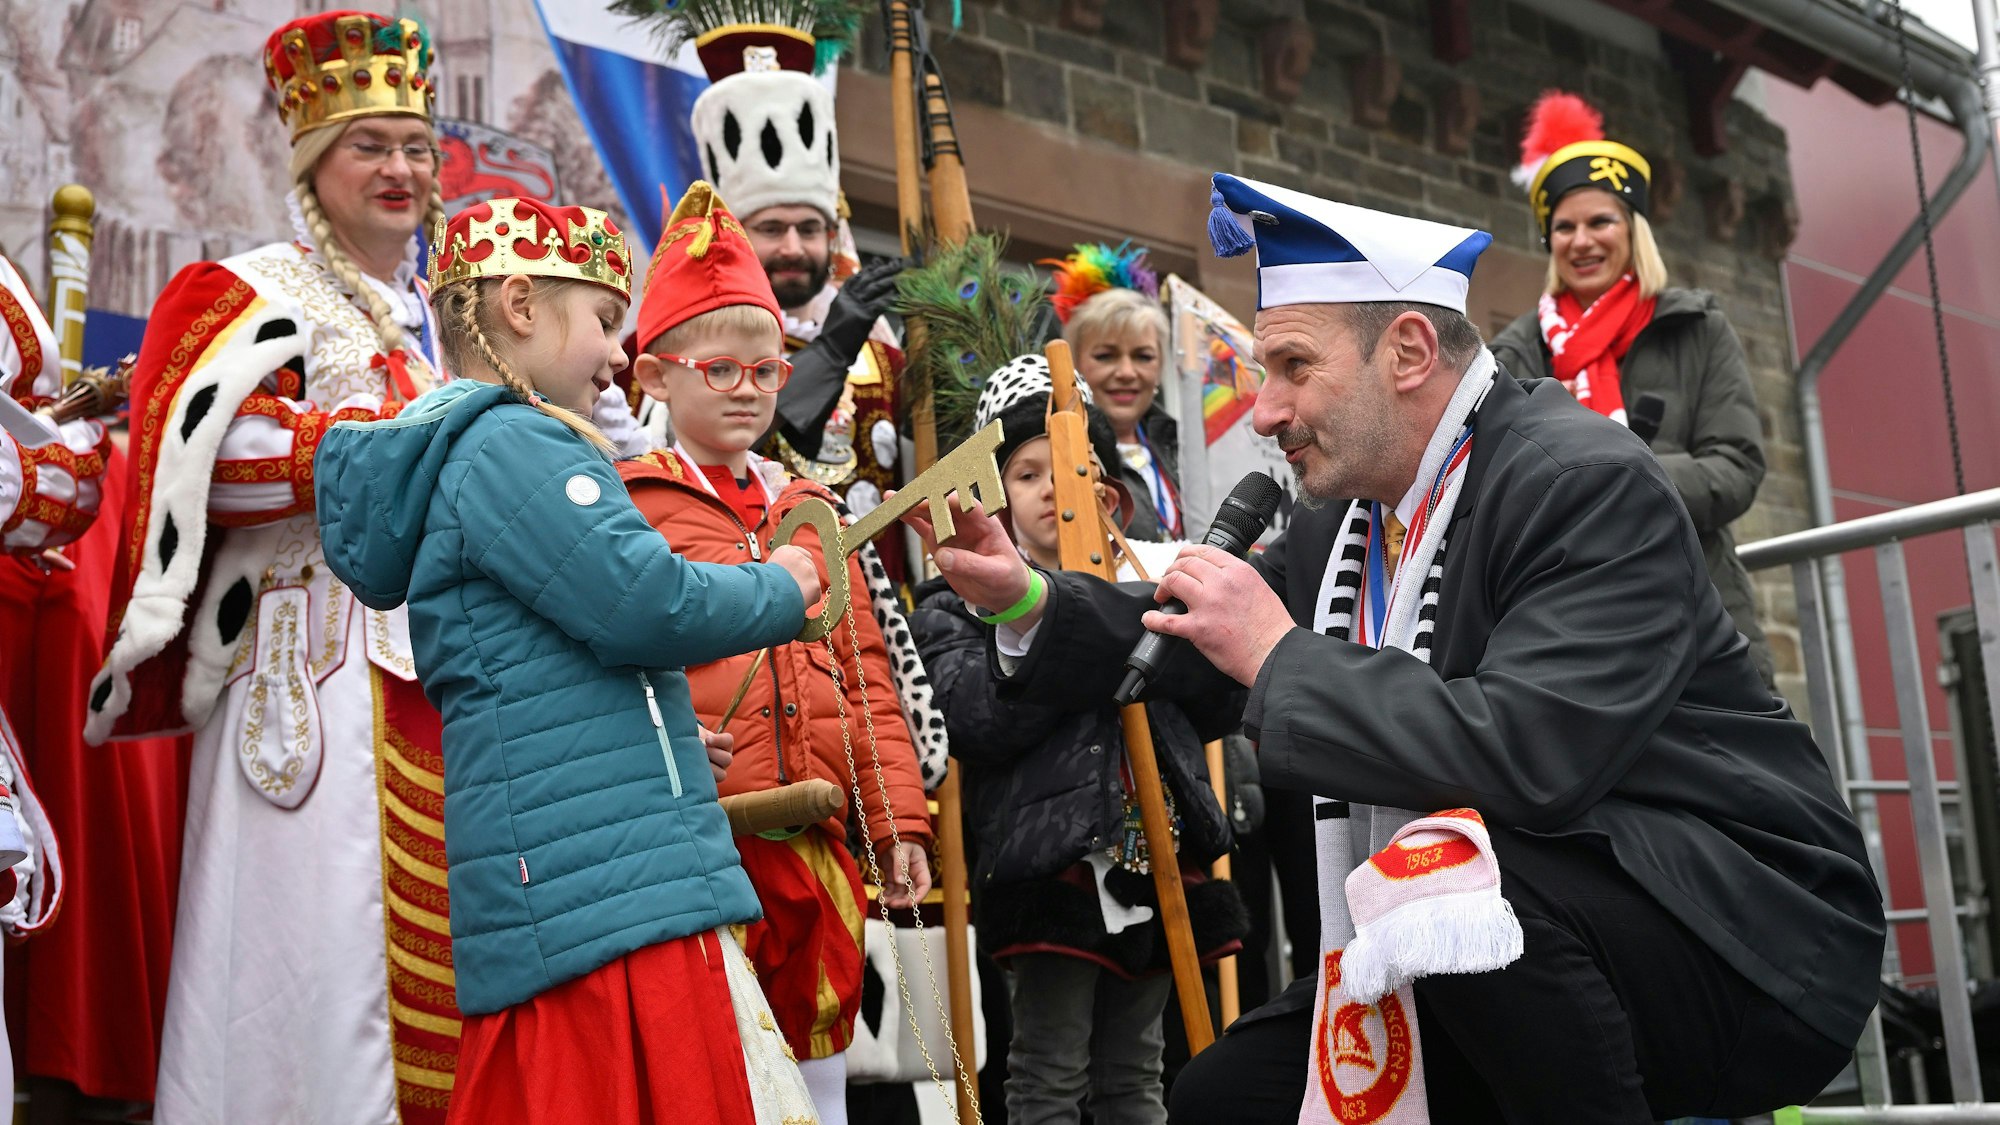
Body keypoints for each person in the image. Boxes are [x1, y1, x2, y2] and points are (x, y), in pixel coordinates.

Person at [905, 174, 1884, 1122]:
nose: (1264, 411)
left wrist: (1280, 653)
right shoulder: (1350, 523)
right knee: (1223, 1098)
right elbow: (1208, 630)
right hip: (1504, 929)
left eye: (1293, 368)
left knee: (1438, 887)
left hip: (1741, 934)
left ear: (1409, 351)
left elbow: (1529, 751)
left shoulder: (1581, 481)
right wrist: (1027, 596)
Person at [315, 195, 822, 1124]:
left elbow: (562, 666)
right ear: (520, 306)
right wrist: (782, 586)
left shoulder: (494, 448)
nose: (618, 355)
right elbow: (643, 603)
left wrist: (667, 738)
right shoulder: (514, 441)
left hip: (588, 877)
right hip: (602, 896)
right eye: (602, 320)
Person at [85, 14, 464, 1121]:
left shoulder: (453, 321)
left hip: (448, 671)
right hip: (312, 673)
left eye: (416, 147)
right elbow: (203, 459)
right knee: (311, 952)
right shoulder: (252, 290)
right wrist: (372, 449)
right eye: (369, 145)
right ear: (312, 159)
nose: (400, 169)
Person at [617, 181, 934, 1124]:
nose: (749, 389)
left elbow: (865, 677)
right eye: (721, 369)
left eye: (767, 369)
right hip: (696, 845)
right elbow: (614, 668)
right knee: (712, 1072)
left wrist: (897, 823)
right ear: (654, 376)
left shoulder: (814, 508)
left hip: (815, 849)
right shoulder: (629, 504)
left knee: (819, 1066)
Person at [908, 352, 1245, 1125]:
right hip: (1050, 870)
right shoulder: (954, 607)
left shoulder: (1153, 584)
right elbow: (978, 721)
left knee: (1137, 1074)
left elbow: (1221, 704)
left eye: (1073, 467)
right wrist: (1051, 622)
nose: (1054, 486)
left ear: (1108, 489)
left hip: (1158, 858)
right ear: (992, 502)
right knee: (1050, 1073)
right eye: (1028, 473)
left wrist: (1146, 624)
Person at [1491, 90, 1774, 686]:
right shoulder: (1515, 353)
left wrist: (1616, 482)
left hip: (1695, 598)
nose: (1581, 241)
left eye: (1601, 221)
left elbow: (1736, 465)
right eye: (1564, 227)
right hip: (1563, 611)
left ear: (1634, 230)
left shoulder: (1695, 327)